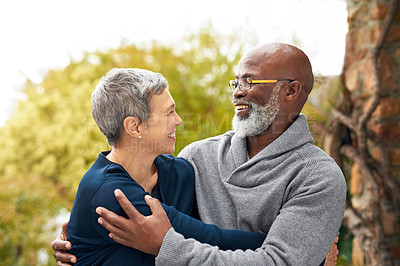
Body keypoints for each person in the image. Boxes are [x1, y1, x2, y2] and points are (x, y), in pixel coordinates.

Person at [53, 43, 346, 265]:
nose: (237, 92)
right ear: (134, 126)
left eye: (250, 82)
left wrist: (166, 246)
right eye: (236, 82)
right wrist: (77, 240)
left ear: (291, 91)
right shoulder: (197, 158)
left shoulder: (319, 177)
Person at [61, 68, 268, 265]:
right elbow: (210, 238)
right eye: (169, 113)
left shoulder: (180, 174)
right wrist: (281, 249)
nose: (178, 121)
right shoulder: (108, 193)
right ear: (134, 126)